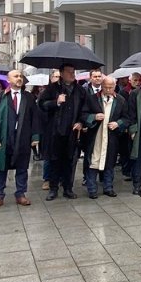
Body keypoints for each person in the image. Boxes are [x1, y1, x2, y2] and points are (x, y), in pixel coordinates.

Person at [0, 70, 41, 208]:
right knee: (1, 167)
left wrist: (35, 136)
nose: (19, 78)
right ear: (8, 79)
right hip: (4, 137)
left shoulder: (28, 97)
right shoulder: (0, 97)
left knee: (22, 166)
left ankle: (21, 194)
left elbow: (34, 117)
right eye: (16, 76)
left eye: (20, 76)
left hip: (23, 136)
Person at [39, 64, 87, 200]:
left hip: (72, 132)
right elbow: (42, 105)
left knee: (70, 161)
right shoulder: (52, 88)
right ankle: (53, 189)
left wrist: (81, 122)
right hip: (55, 132)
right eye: (69, 72)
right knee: (55, 161)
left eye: (73, 72)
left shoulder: (79, 90)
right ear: (61, 73)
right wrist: (56, 102)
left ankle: (68, 188)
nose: (72, 74)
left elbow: (85, 109)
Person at [82, 76, 127, 199]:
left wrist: (118, 124)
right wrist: (94, 117)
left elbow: (127, 118)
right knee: (93, 162)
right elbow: (83, 114)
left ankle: (108, 187)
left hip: (111, 137)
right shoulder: (92, 99)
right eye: (105, 87)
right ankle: (92, 189)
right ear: (101, 86)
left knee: (110, 163)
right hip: (95, 136)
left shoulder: (121, 100)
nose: (108, 90)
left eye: (110, 87)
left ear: (114, 87)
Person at [41, 70, 60, 190]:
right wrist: (55, 102)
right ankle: (47, 179)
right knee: (49, 156)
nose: (58, 78)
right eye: (56, 76)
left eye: (59, 76)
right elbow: (42, 105)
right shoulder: (47, 91)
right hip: (49, 128)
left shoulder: (66, 89)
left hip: (62, 129)